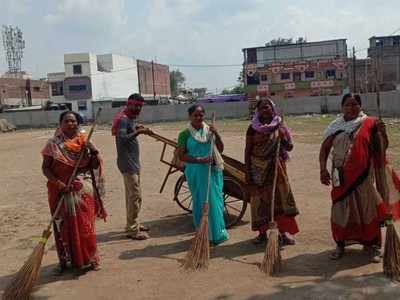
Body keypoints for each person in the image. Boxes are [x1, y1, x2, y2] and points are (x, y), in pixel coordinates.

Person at [319, 93, 400, 261]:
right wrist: (322, 170)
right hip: (340, 176)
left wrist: (381, 132)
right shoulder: (335, 126)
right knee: (340, 209)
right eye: (347, 104)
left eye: (355, 104)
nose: (351, 107)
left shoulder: (370, 123)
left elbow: (381, 148)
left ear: (360, 106)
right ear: (342, 107)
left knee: (366, 209)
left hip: (363, 176)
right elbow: (324, 149)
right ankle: (340, 244)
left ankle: (370, 246)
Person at [42, 111, 106, 273]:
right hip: (59, 191)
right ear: (60, 124)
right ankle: (65, 261)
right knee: (62, 228)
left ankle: (91, 259)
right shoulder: (53, 144)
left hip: (82, 190)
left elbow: (93, 166)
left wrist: (94, 152)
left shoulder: (84, 142)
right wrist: (59, 183)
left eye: (74, 121)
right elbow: (46, 168)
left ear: (78, 123)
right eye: (67, 121)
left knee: (86, 227)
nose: (71, 124)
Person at [245, 98, 299, 245]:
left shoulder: (280, 125)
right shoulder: (252, 128)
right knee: (260, 202)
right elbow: (248, 150)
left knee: (279, 200)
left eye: (267, 107)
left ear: (272, 108)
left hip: (277, 169)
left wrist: (283, 137)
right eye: (261, 108)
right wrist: (248, 173)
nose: (265, 110)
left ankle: (283, 233)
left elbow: (289, 147)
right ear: (258, 111)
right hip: (258, 171)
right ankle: (262, 233)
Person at [176, 104, 229, 245]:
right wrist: (200, 160)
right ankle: (204, 234)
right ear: (190, 116)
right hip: (196, 172)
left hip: (212, 171)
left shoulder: (209, 131)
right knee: (200, 202)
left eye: (201, 115)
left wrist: (216, 133)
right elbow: (181, 156)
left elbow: (221, 149)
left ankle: (217, 234)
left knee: (215, 201)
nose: (199, 117)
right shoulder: (184, 134)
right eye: (195, 115)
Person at [112, 93, 152, 240]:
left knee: (134, 197)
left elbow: (129, 130)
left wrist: (136, 128)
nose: (137, 108)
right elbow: (122, 138)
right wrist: (138, 132)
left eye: (140, 106)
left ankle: (134, 223)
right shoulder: (123, 120)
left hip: (133, 163)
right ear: (128, 104)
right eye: (135, 105)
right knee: (134, 196)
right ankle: (132, 230)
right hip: (127, 164)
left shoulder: (129, 119)